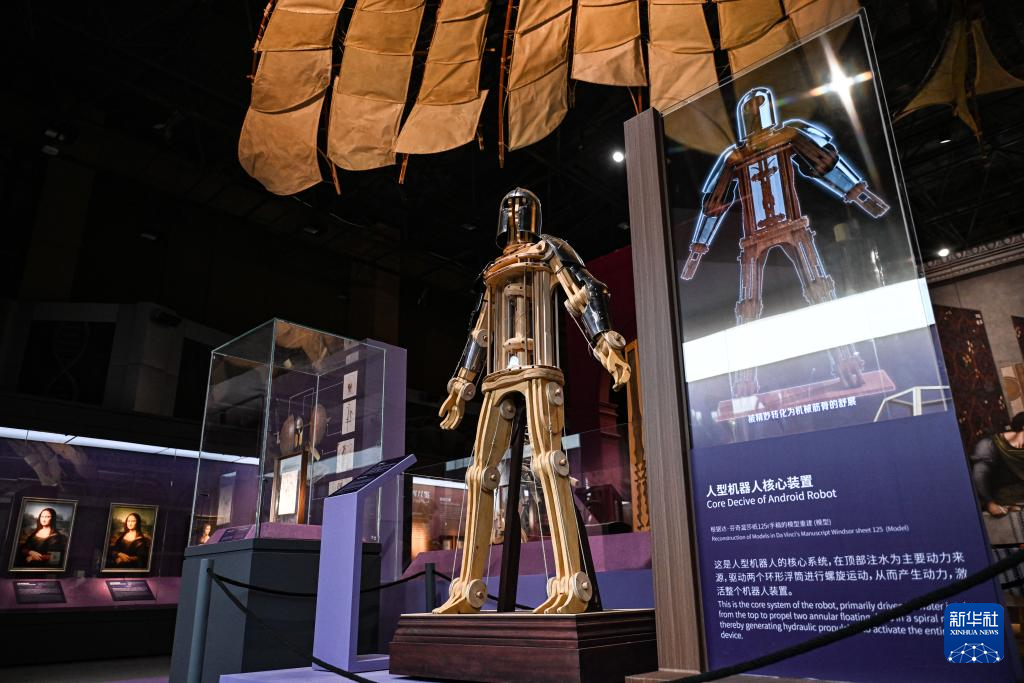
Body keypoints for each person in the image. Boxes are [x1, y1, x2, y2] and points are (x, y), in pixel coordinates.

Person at [970, 412, 1024, 517]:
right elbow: (979, 475)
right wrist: (989, 503)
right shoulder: (989, 445)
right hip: (984, 501)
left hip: (1012, 503)